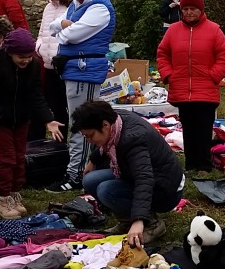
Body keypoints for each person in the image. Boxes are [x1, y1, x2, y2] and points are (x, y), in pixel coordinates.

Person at [0, 29, 63, 217]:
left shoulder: (34, 66)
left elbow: (36, 94)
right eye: (21, 57)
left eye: (29, 56)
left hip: (22, 118)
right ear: (9, 52)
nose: (26, 60)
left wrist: (48, 119)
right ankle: (4, 199)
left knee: (20, 156)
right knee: (7, 158)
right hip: (1, 119)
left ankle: (15, 193)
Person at [46, 0, 116, 193]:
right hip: (74, 68)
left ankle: (76, 173)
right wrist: (64, 26)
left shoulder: (100, 8)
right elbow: (53, 27)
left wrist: (63, 30)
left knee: (82, 124)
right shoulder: (78, 4)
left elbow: (69, 36)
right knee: (79, 121)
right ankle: (79, 167)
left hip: (86, 69)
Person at [74, 101, 185, 246]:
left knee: (106, 191)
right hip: (143, 175)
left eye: (90, 136)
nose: (89, 141)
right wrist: (93, 160)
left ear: (105, 125)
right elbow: (107, 144)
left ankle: (152, 224)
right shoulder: (116, 121)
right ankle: (127, 221)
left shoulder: (133, 139)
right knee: (90, 181)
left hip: (166, 190)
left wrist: (139, 219)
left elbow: (144, 178)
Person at [156, 0, 225, 173]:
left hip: (205, 90)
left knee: (204, 130)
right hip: (182, 90)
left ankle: (204, 165)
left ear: (201, 10)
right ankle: (191, 164)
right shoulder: (173, 31)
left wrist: (213, 75)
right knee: (189, 129)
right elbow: (162, 54)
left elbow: (224, 56)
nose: (189, 12)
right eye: (186, 9)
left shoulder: (214, 30)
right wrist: (169, 75)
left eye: (193, 9)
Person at [35, 0, 71, 138]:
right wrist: (39, 47)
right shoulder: (48, 8)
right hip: (48, 63)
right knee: (53, 104)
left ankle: (66, 140)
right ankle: (57, 141)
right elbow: (43, 32)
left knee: (66, 105)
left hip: (64, 63)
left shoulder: (71, 7)